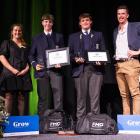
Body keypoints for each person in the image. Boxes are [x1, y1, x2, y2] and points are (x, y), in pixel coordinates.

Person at [68, 13, 106, 120]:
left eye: (87, 20)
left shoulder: (98, 35)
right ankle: (80, 121)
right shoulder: (73, 37)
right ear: (80, 23)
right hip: (80, 70)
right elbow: (69, 54)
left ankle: (95, 121)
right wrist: (75, 59)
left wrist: (101, 61)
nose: (85, 22)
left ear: (91, 22)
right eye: (83, 20)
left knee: (95, 97)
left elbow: (103, 51)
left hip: (95, 70)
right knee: (81, 98)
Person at [29, 14, 64, 117]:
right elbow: (31, 54)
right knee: (42, 98)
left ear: (52, 23)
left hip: (56, 71)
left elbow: (62, 53)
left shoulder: (59, 37)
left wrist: (61, 63)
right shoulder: (36, 38)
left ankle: (58, 120)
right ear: (42, 23)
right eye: (45, 21)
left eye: (49, 22)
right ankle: (41, 123)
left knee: (58, 97)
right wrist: (34, 64)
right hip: (42, 70)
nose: (47, 23)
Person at [0, 23, 32, 115]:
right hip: (10, 74)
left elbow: (29, 60)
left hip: (23, 75)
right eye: (15, 30)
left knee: (21, 97)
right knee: (9, 96)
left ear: (21, 32)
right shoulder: (7, 43)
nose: (17, 32)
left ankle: (21, 123)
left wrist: (25, 70)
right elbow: (2, 57)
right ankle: (7, 122)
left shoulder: (26, 46)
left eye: (19, 30)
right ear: (12, 32)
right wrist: (12, 69)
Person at [113, 5, 140, 114]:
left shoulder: (136, 26)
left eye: (123, 13)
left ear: (127, 15)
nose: (121, 16)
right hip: (119, 65)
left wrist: (138, 52)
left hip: (131, 63)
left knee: (135, 93)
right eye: (119, 14)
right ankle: (127, 122)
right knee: (124, 95)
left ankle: (137, 122)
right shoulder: (115, 30)